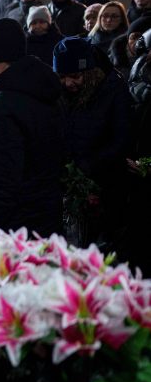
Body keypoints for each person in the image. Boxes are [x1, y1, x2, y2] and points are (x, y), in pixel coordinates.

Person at [0, 18, 64, 236]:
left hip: (15, 229)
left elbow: (2, 183)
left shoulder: (3, 106)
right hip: (47, 217)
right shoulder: (46, 92)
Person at [53, 36, 131, 248]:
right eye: (62, 77)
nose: (68, 83)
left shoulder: (114, 90)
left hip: (106, 183)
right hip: (70, 182)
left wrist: (88, 164)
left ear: (90, 72)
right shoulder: (60, 93)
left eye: (75, 76)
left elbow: (121, 139)